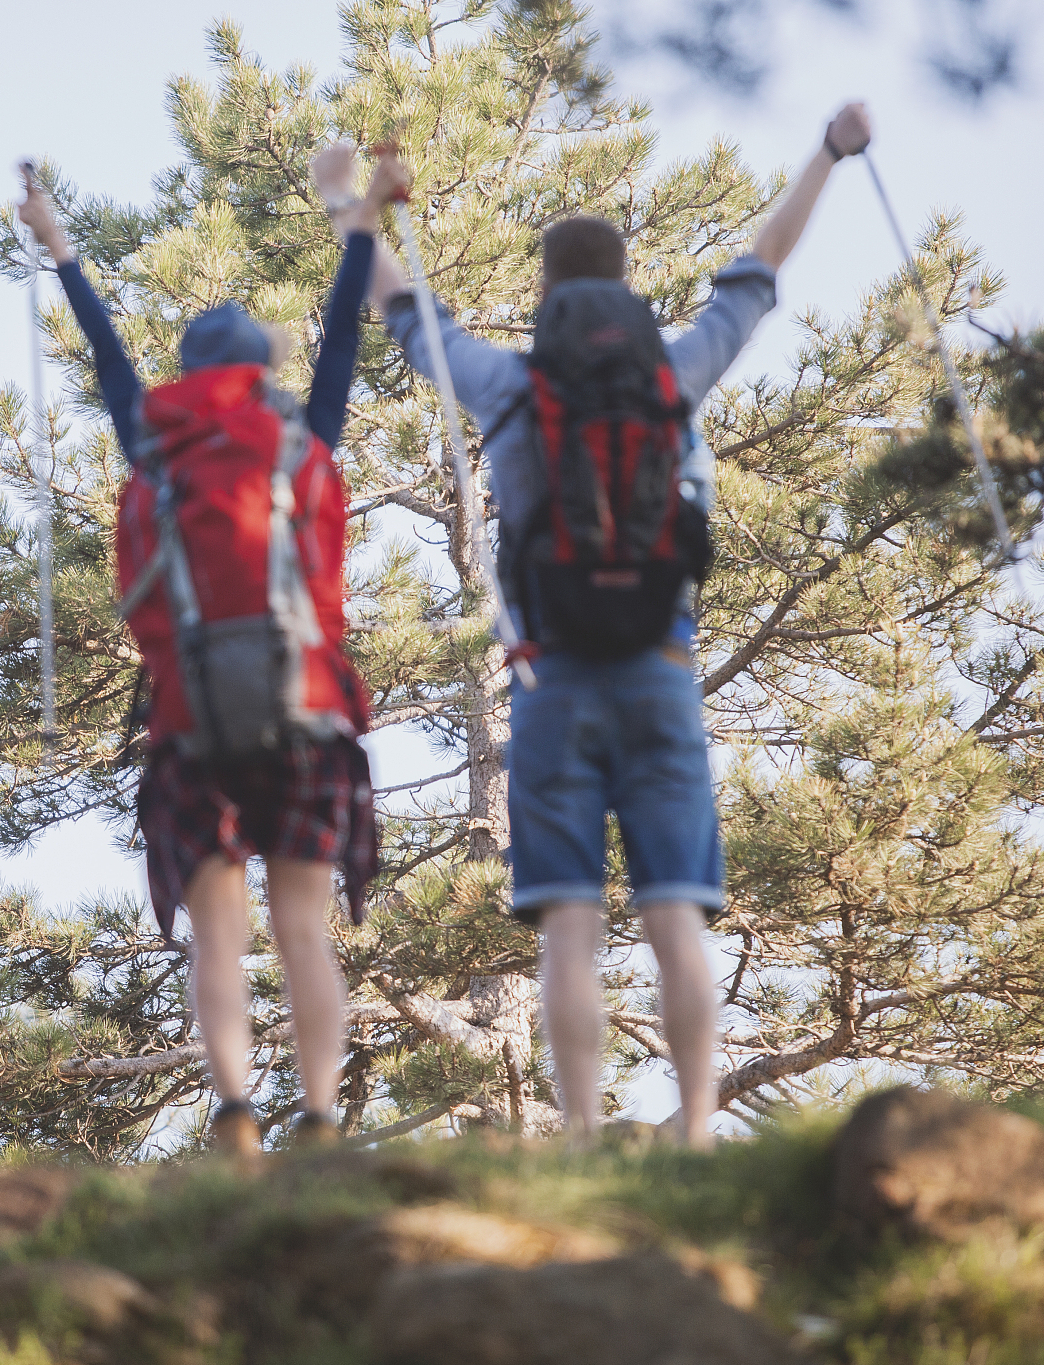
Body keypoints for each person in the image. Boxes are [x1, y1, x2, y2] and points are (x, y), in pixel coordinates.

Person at [364, 105, 874, 1149]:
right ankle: (696, 1135)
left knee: (567, 923)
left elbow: (409, 318)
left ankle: (583, 1140)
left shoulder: (511, 386)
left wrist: (353, 212)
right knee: (675, 911)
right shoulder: (672, 377)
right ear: (626, 284)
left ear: (546, 295)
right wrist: (827, 152)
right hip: (659, 668)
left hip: (550, 679)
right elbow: (760, 269)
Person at [16, 149, 403, 1155]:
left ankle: (234, 1112)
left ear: (187, 373)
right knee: (303, 928)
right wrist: (361, 221)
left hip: (190, 722)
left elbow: (105, 352)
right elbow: (341, 341)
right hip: (307, 709)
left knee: (219, 937)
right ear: (262, 372)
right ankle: (319, 1119)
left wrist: (60, 249)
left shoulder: (153, 439)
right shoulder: (302, 439)